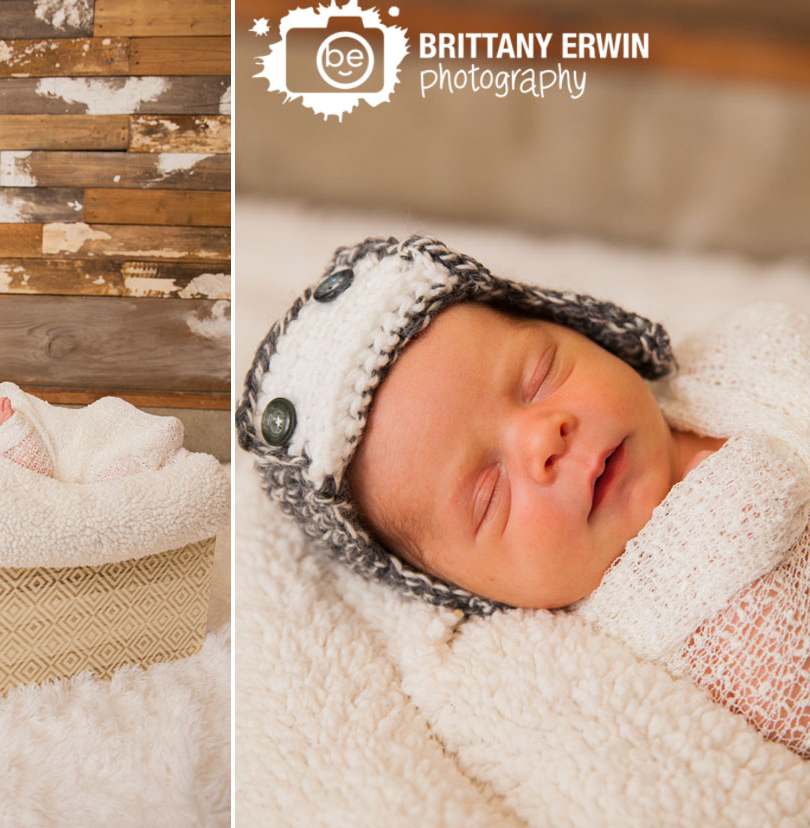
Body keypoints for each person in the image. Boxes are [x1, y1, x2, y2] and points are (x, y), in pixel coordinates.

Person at [237, 234, 810, 755]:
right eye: (490, 494)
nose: (543, 437)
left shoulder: (742, 361)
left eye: (540, 376)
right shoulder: (656, 646)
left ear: (583, 329)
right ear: (468, 591)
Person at [0, 363, 185, 482]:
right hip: (77, 466)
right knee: (109, 474)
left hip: (82, 432)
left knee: (109, 409)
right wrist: (11, 427)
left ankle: (145, 436)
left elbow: (53, 421)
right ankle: (146, 451)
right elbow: (40, 470)